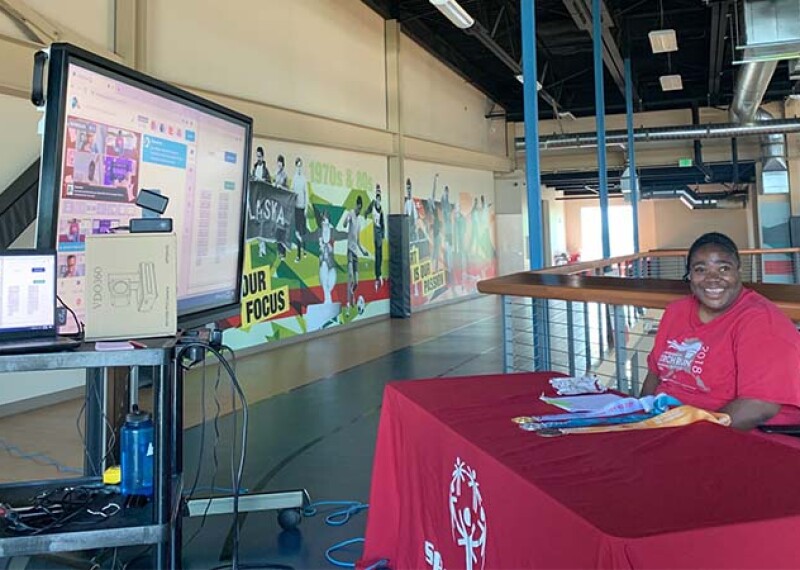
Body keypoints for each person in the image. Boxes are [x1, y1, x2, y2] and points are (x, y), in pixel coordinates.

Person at [640, 232, 800, 430]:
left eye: (724, 268)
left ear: (738, 271)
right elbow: (654, 375)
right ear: (689, 275)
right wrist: (640, 421)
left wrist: (688, 438)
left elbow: (758, 406)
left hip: (734, 437)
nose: (713, 279)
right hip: (667, 424)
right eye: (701, 269)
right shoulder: (676, 311)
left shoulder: (761, 321)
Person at [343, 196, 368, 311]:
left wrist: (363, 251)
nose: (358, 211)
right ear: (356, 206)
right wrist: (346, 220)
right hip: (349, 250)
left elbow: (358, 241)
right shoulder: (350, 214)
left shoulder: (359, 221)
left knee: (357, 282)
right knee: (351, 276)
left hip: (355, 253)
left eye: (360, 210)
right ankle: (349, 301)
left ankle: (352, 295)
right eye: (357, 209)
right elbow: (344, 224)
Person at [364, 184, 385, 290]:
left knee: (380, 255)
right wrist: (365, 214)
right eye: (377, 197)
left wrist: (383, 236)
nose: (378, 200)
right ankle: (377, 274)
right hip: (375, 232)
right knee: (377, 255)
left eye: (379, 198)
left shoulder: (381, 210)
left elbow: (383, 224)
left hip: (379, 232)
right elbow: (367, 210)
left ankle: (379, 274)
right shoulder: (372, 204)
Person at [291, 157, 308, 262]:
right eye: (297, 166)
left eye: (300, 166)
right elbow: (291, 192)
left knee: (303, 231)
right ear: (295, 167)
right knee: (297, 231)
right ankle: (298, 255)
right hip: (296, 208)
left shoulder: (304, 179)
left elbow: (307, 194)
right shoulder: (294, 179)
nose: (299, 168)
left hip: (302, 208)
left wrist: (306, 207)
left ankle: (304, 249)